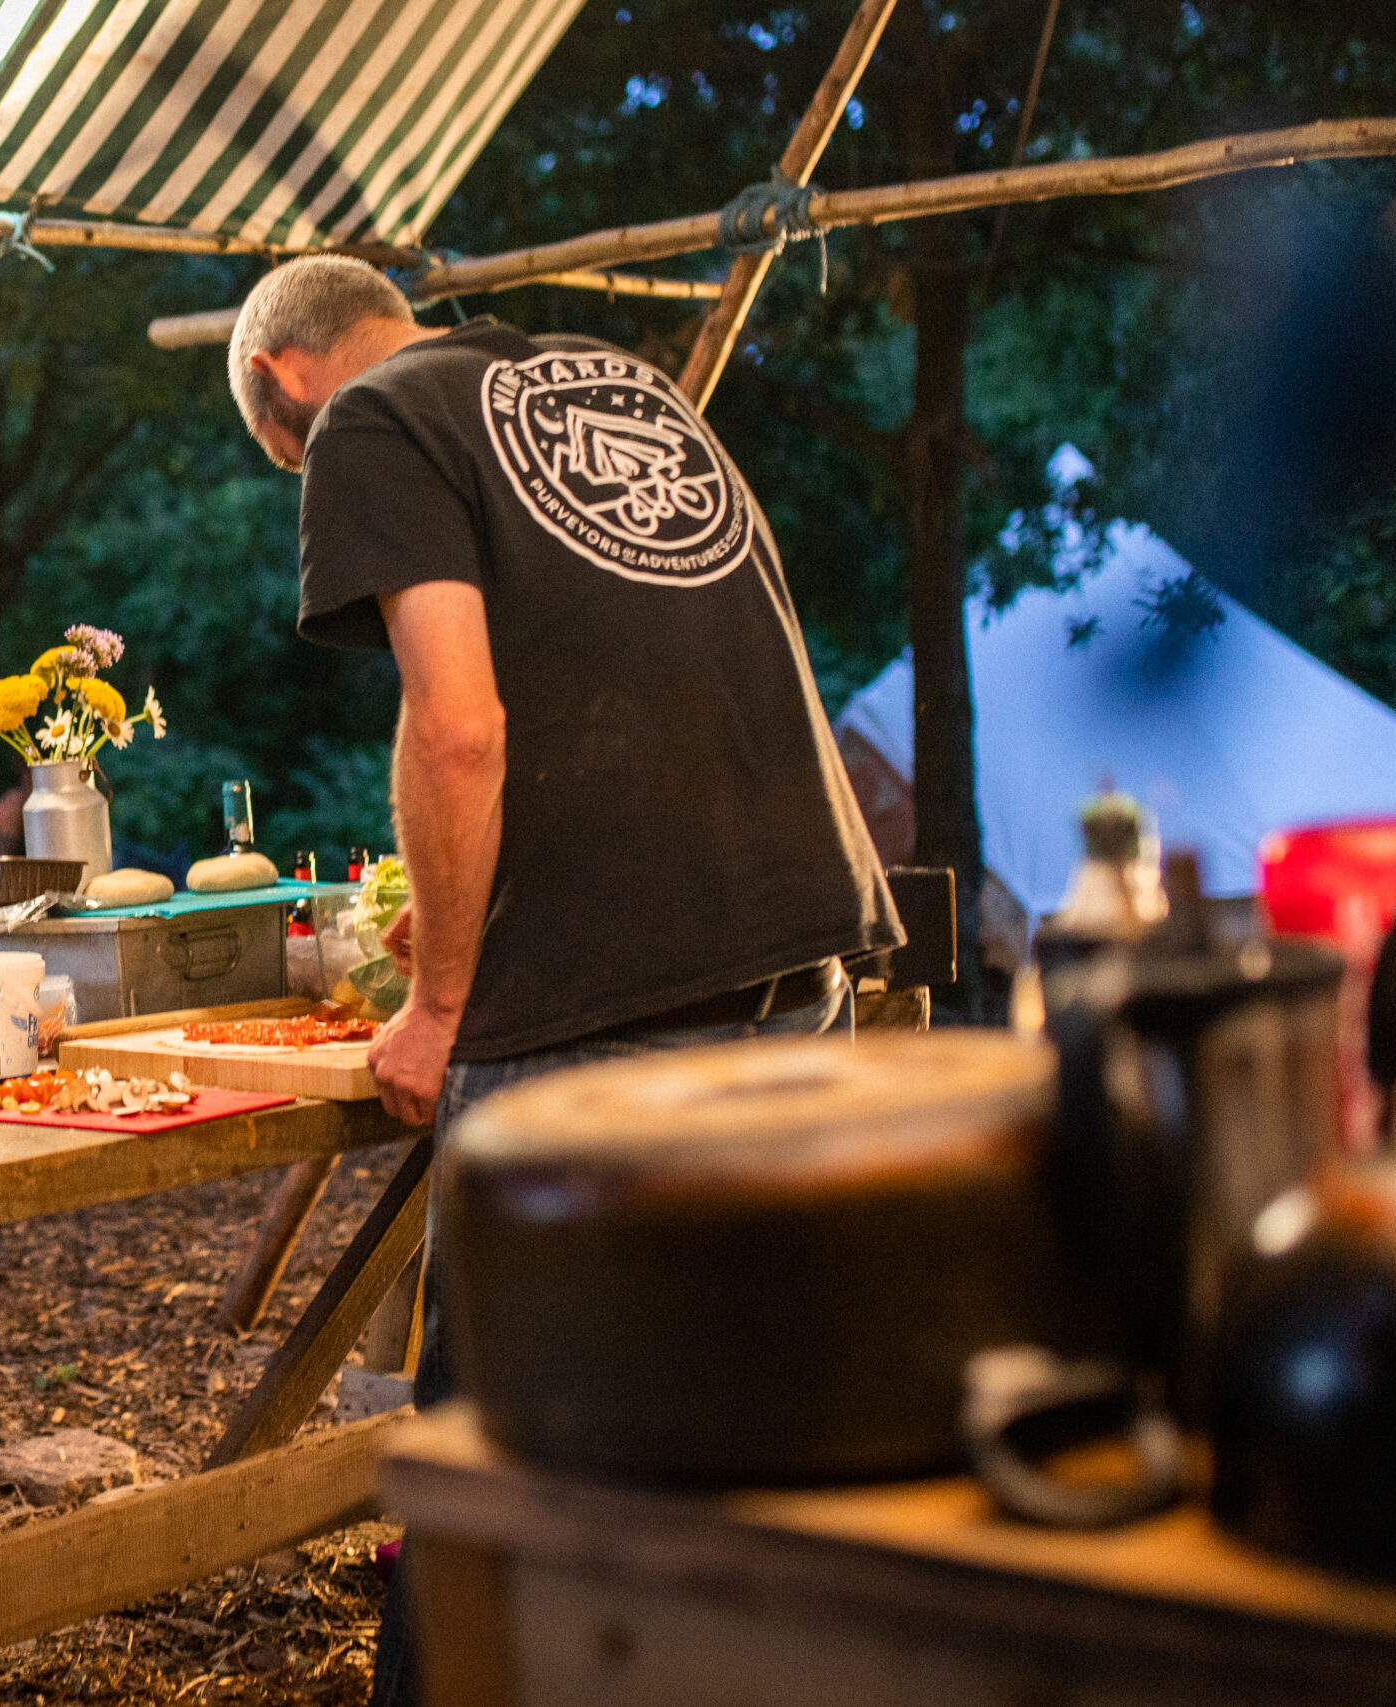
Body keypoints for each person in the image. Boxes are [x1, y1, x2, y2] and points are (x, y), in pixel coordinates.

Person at [225, 256, 902, 1706]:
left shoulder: (367, 417)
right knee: (754, 1436)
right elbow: (642, 675)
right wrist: (468, 905)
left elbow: (458, 727)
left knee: (502, 1475)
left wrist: (442, 1004)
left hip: (609, 1016)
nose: (301, 476)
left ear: (285, 381)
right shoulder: (618, 378)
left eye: (278, 457)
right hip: (795, 955)